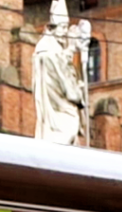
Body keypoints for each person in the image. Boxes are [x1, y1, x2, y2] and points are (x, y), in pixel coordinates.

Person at [32, 0, 85, 145]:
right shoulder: (47, 50)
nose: (65, 32)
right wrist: (78, 94)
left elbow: (62, 65)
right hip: (56, 113)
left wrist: (71, 49)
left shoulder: (50, 48)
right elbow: (65, 84)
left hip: (55, 109)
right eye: (62, 28)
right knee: (65, 132)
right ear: (52, 28)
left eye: (66, 28)